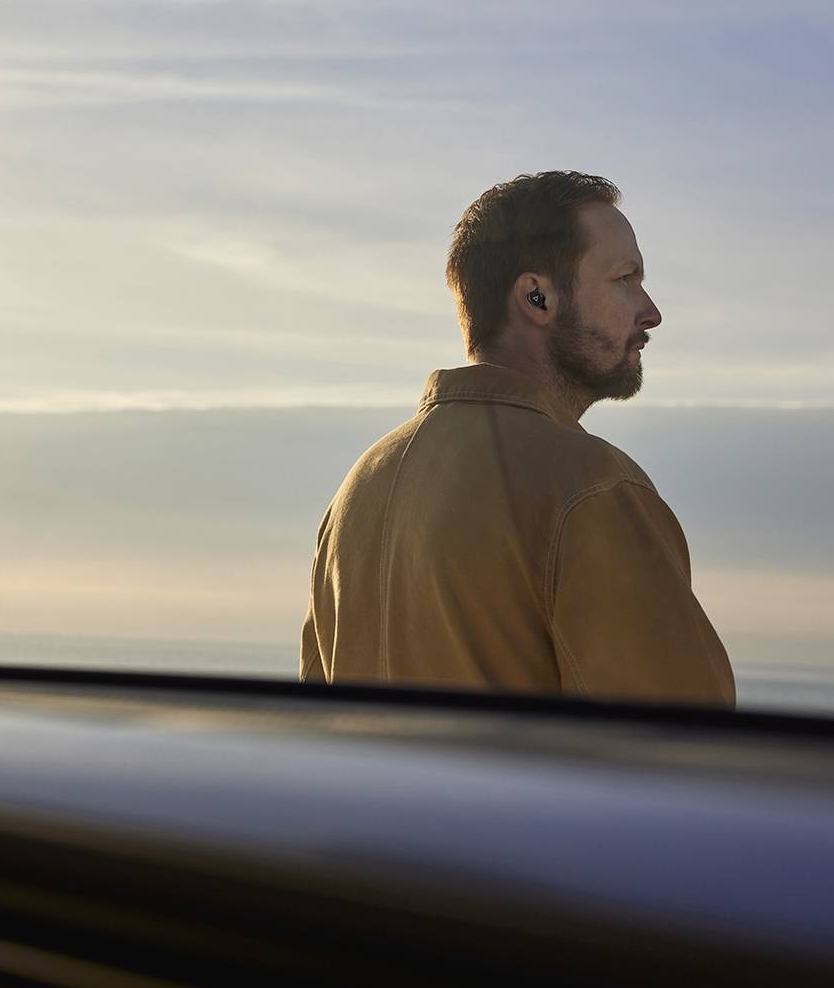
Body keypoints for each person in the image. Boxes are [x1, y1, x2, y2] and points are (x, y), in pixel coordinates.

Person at [300, 171, 735, 705]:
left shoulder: (359, 488)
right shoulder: (592, 488)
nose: (651, 312)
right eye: (625, 279)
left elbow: (318, 725)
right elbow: (685, 749)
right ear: (537, 298)